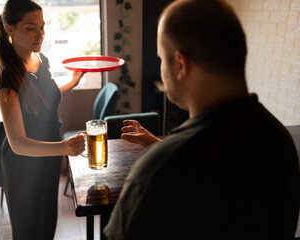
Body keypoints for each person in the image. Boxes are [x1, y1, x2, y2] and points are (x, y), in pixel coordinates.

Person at [104, 0, 300, 239]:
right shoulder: (279, 140)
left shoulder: (158, 171)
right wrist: (161, 145)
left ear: (180, 64)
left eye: (161, 59)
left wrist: (163, 153)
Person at [0, 0, 85, 239]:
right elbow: (18, 143)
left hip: (49, 156)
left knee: (47, 222)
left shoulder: (40, 60)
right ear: (9, 28)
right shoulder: (6, 81)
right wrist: (63, 147)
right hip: (23, 164)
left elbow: (46, 99)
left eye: (42, 27)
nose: (39, 34)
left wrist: (72, 83)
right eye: (31, 27)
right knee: (29, 229)